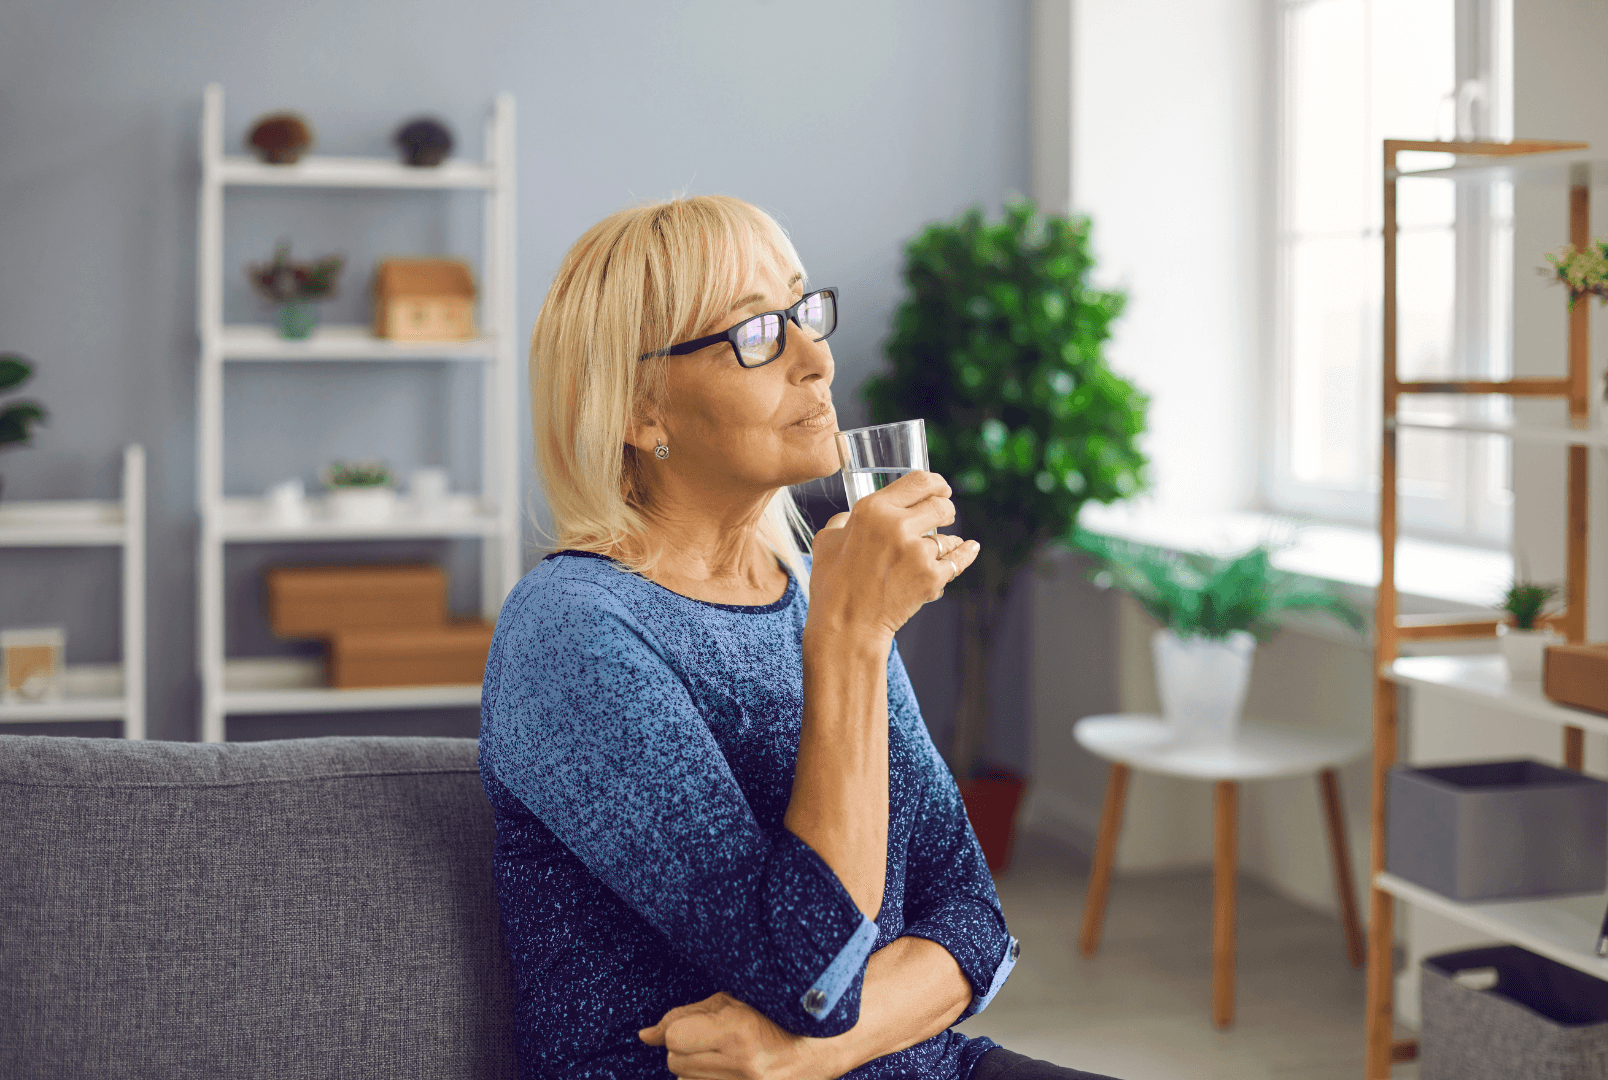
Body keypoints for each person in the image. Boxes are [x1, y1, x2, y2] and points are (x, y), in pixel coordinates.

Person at [479, 195, 1122, 1080]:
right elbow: (810, 974)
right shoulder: (574, 631)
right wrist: (853, 638)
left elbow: (973, 921)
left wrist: (801, 1057)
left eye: (802, 312)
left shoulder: (817, 590)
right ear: (638, 410)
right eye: (754, 334)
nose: (817, 359)